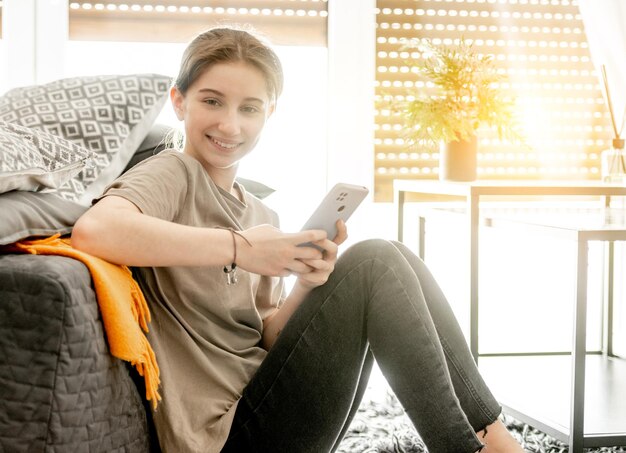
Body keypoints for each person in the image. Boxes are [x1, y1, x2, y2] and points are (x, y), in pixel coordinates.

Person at [71, 26, 525, 453]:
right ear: (179, 101)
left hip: (269, 401)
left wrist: (307, 283)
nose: (230, 125)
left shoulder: (262, 214)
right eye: (212, 102)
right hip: (225, 436)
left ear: (269, 113)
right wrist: (242, 248)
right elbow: (95, 230)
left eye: (249, 108)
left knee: (389, 258)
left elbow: (266, 335)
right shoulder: (173, 172)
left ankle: (493, 436)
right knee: (375, 261)